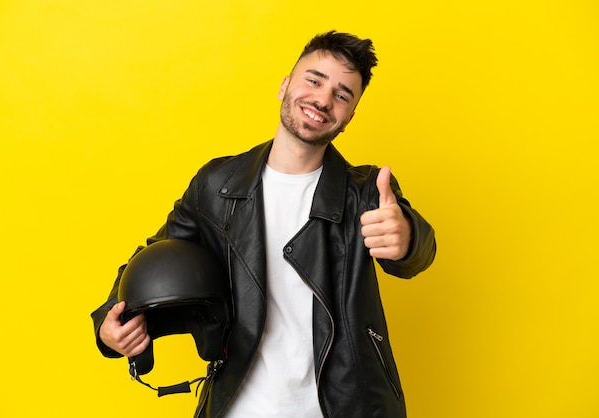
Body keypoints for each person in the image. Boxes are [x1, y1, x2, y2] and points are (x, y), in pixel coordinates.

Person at [91, 30, 436, 418]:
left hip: (345, 406)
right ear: (285, 85)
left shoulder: (366, 193)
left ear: (349, 117)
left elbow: (416, 251)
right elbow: (156, 254)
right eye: (314, 80)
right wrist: (110, 321)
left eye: (342, 95)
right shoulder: (216, 185)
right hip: (240, 406)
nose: (323, 99)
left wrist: (406, 236)